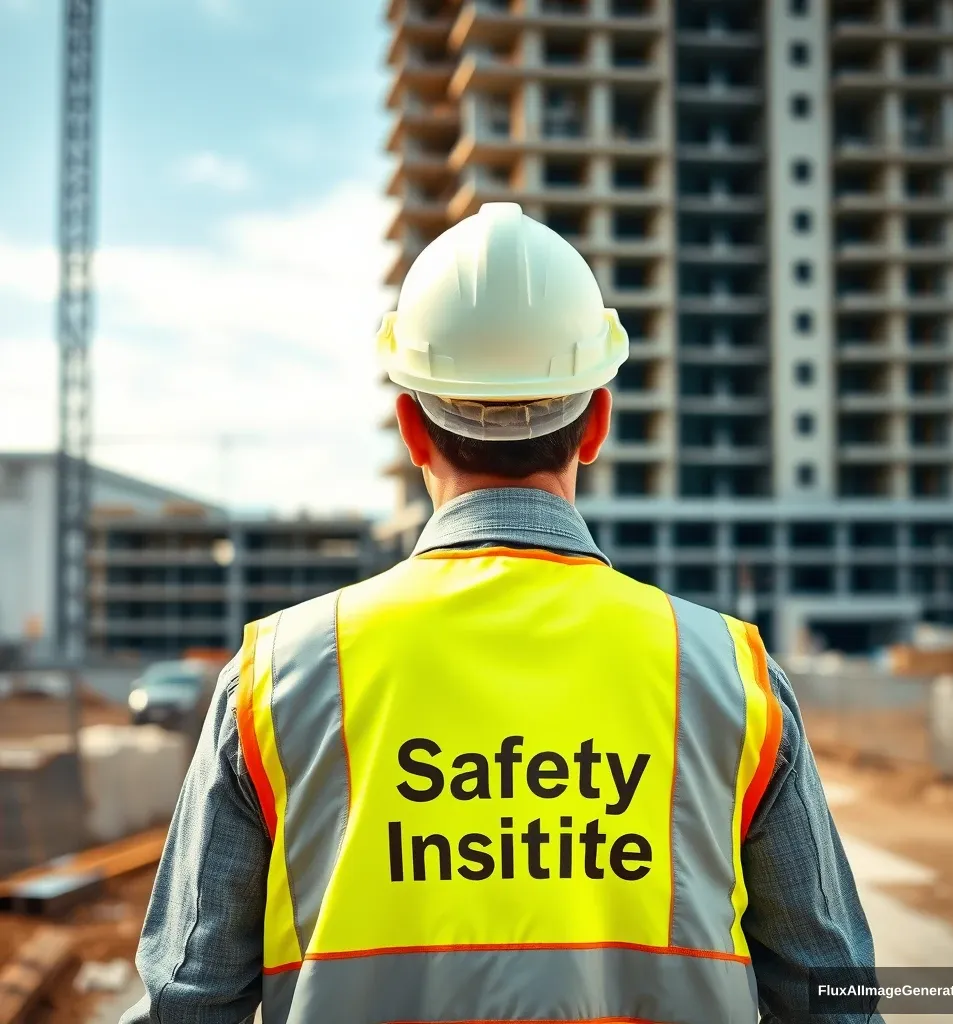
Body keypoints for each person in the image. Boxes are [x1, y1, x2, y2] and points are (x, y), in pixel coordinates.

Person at [123, 203, 882, 1024]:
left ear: (412, 427)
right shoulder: (730, 677)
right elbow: (834, 999)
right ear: (596, 423)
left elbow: (189, 1006)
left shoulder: (275, 680)